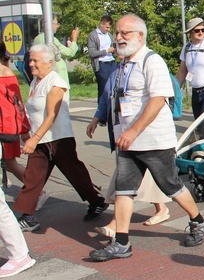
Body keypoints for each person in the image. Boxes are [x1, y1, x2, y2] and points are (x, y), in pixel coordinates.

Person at [89, 15, 204, 262]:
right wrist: (103, 120)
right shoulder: (122, 65)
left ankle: (199, 220)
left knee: (170, 185)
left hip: (154, 141)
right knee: (124, 190)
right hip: (127, 142)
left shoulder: (151, 61)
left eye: (125, 33)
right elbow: (113, 97)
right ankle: (122, 243)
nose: (119, 38)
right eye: (118, 34)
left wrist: (133, 131)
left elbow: (157, 100)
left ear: (140, 36)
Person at [14, 44, 108, 233]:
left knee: (75, 173)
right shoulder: (35, 81)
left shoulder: (55, 82)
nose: (31, 64)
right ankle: (28, 216)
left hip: (58, 139)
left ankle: (96, 201)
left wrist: (33, 139)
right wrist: (27, 133)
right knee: (33, 177)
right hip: (40, 139)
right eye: (30, 60)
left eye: (35, 60)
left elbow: (51, 115)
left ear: (49, 63)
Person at [86, 64, 171, 236]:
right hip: (124, 132)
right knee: (142, 177)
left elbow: (161, 98)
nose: (119, 43)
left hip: (141, 133)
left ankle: (116, 226)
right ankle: (168, 210)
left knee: (127, 180)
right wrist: (96, 118)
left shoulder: (147, 65)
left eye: (124, 35)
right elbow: (106, 98)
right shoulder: (115, 73)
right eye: (116, 38)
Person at [0, 41, 29, 185]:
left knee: (10, 163)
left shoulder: (6, 74)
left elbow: (18, 103)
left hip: (5, 126)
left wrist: (24, 129)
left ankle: (35, 191)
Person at [33, 16, 79, 86]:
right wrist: (74, 39)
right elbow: (70, 52)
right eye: (56, 24)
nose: (57, 26)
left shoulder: (37, 39)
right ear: (50, 24)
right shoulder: (51, 40)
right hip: (57, 78)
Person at [87, 14, 117, 101]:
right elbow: (92, 53)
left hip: (111, 61)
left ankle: (111, 110)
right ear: (101, 24)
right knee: (104, 89)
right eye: (107, 27)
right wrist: (106, 51)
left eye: (109, 28)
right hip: (101, 64)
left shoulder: (109, 35)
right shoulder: (93, 35)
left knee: (114, 87)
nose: (108, 29)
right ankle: (101, 111)